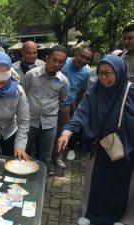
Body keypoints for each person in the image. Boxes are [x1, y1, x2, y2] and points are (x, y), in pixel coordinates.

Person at [58, 55, 134, 225]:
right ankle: (91, 214)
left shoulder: (131, 91)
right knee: (97, 181)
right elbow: (81, 113)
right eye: (100, 73)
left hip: (127, 146)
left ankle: (122, 218)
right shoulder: (95, 91)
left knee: (123, 184)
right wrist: (67, 132)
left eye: (109, 73)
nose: (104, 78)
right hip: (102, 145)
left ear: (120, 72)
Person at [25, 45, 69, 175]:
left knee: (45, 157)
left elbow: (62, 99)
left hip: (49, 124)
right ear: (47, 58)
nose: (56, 64)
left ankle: (40, 182)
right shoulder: (31, 75)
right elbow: (25, 93)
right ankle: (23, 180)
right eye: (54, 60)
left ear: (64, 63)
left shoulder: (63, 81)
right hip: (29, 122)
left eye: (60, 62)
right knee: (24, 153)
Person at [54, 47, 93, 168]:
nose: (84, 60)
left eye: (88, 59)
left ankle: (58, 157)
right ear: (76, 54)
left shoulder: (86, 72)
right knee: (46, 130)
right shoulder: (63, 62)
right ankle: (43, 156)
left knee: (62, 132)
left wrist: (75, 102)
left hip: (66, 104)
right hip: (51, 101)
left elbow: (82, 89)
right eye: (82, 56)